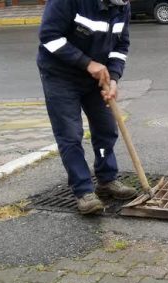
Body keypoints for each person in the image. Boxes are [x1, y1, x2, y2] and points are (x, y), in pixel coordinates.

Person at [37, 0, 137, 214]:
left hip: (97, 76)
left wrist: (113, 79)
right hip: (60, 76)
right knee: (70, 134)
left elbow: (121, 45)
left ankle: (106, 178)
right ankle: (83, 190)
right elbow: (49, 36)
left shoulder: (122, 5)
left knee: (106, 129)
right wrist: (88, 64)